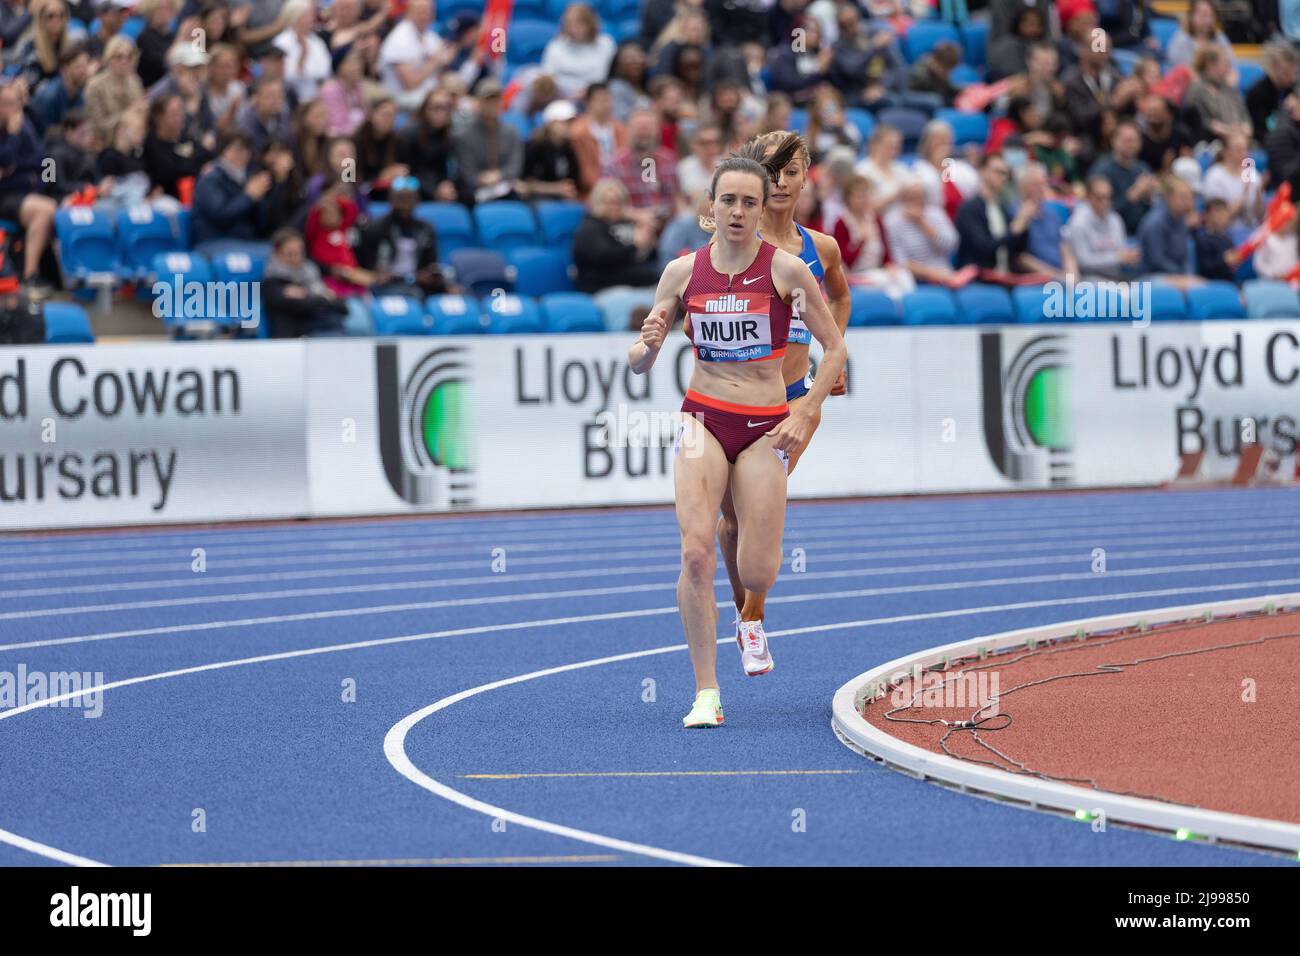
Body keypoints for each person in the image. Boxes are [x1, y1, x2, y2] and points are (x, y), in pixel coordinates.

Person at [627, 141, 847, 728]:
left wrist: (806, 411)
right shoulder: (681, 271)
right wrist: (645, 348)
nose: (739, 211)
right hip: (701, 418)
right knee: (696, 551)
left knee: (756, 569)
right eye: (729, 200)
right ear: (712, 205)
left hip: (763, 428)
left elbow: (834, 348)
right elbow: (640, 359)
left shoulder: (788, 269)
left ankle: (753, 616)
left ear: (758, 210)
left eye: (750, 202)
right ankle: (706, 692)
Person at [710, 131, 851, 644]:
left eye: (791, 172)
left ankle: (752, 621)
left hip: (793, 399)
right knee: (730, 520)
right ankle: (743, 608)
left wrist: (834, 353)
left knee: (760, 506)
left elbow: (838, 299)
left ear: (806, 176)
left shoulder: (822, 248)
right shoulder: (729, 245)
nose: (781, 183)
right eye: (771, 172)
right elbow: (696, 313)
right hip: (733, 398)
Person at [0, 81, 58, 295]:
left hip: (28, 192)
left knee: (58, 205)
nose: (14, 109)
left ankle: (60, 276)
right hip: (6, 195)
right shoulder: (13, 132)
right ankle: (29, 276)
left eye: (16, 103)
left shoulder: (25, 126)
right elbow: (5, 160)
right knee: (45, 209)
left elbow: (44, 158)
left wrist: (44, 185)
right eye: (6, 104)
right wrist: (13, 136)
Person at [357, 175, 446, 298]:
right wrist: (375, 272)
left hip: (417, 283)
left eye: (409, 199)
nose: (405, 204)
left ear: (416, 201)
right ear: (391, 200)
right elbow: (364, 263)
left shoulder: (425, 229)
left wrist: (429, 275)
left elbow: (431, 264)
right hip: (386, 285)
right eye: (400, 199)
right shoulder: (376, 228)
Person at [884, 180, 977, 289]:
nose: (914, 201)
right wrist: (936, 275)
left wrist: (922, 223)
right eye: (909, 197)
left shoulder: (936, 214)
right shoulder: (893, 221)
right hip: (915, 280)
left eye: (918, 196)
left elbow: (951, 246)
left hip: (946, 274)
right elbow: (900, 261)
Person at [572, 178, 661, 292]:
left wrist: (649, 247)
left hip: (634, 283)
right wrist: (635, 245)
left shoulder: (625, 224)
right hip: (602, 287)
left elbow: (642, 259)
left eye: (619, 202)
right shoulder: (589, 228)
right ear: (597, 202)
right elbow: (604, 258)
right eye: (609, 202)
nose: (614, 207)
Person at [261, 227, 348, 337]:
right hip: (292, 340)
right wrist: (323, 299)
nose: (296, 258)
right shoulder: (272, 281)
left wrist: (311, 297)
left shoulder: (311, 274)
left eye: (299, 252)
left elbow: (343, 308)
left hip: (323, 329)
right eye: (290, 253)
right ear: (278, 253)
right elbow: (293, 305)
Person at [955, 154, 1033, 273]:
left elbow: (1017, 249)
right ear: (982, 171)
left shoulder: (1003, 208)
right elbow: (983, 248)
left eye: (1006, 173)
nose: (1003, 177)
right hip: (980, 278)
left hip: (1005, 276)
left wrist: (1024, 224)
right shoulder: (969, 208)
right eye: (998, 172)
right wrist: (1014, 230)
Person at [1063, 174, 1141, 280]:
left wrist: (1129, 256)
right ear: (1088, 197)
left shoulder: (1115, 219)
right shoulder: (1078, 223)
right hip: (1089, 279)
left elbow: (1121, 250)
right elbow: (1083, 262)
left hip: (1116, 276)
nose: (1105, 202)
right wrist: (1117, 258)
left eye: (1109, 198)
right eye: (1100, 198)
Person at [1136, 176, 1204, 291]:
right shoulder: (1155, 223)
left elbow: (1185, 257)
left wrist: (1188, 275)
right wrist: (1182, 277)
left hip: (1176, 276)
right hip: (1151, 277)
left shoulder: (1181, 221)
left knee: (1202, 287)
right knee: (1194, 287)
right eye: (1183, 198)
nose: (1188, 203)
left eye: (1190, 198)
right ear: (1168, 198)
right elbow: (1157, 261)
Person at [541, 3, 616, 99]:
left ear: (590, 23)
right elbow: (547, 75)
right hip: (560, 96)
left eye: (579, 23)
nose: (574, 28)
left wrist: (587, 92)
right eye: (569, 24)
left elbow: (602, 76)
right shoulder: (556, 45)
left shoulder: (606, 43)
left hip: (594, 96)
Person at [1193, 198, 1241, 282]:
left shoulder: (1227, 239)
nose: (1221, 215)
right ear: (1206, 215)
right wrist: (1224, 261)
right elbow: (1205, 268)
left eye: (1224, 212)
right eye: (1217, 211)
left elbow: (1232, 269)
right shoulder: (1202, 239)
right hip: (1210, 284)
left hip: (1229, 284)